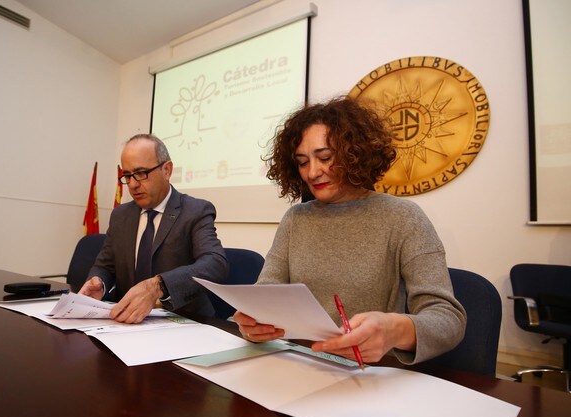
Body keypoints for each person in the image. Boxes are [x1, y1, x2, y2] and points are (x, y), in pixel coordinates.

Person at [234, 97, 466, 365]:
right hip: (297, 363)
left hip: (369, 370)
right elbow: (267, 292)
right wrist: (254, 322)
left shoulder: (403, 217)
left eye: (325, 157)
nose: (312, 172)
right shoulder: (296, 219)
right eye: (302, 162)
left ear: (355, 153)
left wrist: (395, 330)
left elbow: (448, 319)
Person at [79, 134, 228, 323]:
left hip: (183, 323)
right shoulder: (120, 215)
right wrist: (99, 281)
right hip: (128, 323)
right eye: (127, 175)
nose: (132, 184)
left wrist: (158, 285)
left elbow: (215, 264)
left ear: (166, 170)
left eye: (141, 173)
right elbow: (105, 266)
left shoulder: (195, 211)